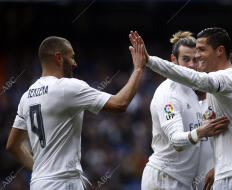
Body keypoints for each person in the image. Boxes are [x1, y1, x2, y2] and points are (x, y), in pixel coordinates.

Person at [129, 28, 232, 190]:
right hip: (168, 177)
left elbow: (197, 80)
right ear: (174, 60)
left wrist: (150, 61)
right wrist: (217, 166)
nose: (196, 59)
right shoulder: (172, 94)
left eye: (201, 50)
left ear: (220, 51)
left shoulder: (226, 79)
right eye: (187, 58)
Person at [6, 36, 146, 190]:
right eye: (71, 57)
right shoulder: (67, 87)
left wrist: (40, 171)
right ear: (59, 57)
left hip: (38, 183)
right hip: (64, 183)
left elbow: (12, 145)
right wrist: (138, 69)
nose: (75, 63)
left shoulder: (26, 96)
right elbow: (120, 103)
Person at [140, 31, 229, 190]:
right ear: (173, 61)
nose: (192, 65)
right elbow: (176, 141)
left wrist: (219, 165)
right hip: (164, 179)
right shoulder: (168, 94)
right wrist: (201, 132)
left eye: (195, 59)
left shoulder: (195, 92)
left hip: (185, 182)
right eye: (186, 59)